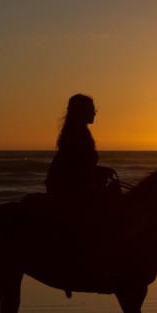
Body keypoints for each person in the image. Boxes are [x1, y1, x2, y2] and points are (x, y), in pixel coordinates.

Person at [45, 93, 99, 223]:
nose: (94, 113)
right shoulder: (77, 133)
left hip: (65, 185)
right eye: (91, 110)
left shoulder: (75, 131)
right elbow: (78, 167)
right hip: (71, 190)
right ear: (81, 112)